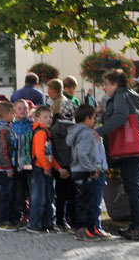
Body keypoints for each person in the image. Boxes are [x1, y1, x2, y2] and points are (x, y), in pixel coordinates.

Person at [95, 69, 139, 241]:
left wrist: (99, 130)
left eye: (107, 84)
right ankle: (138, 225)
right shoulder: (126, 95)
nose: (105, 88)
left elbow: (121, 117)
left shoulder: (121, 95)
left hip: (134, 150)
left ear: (115, 84)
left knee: (133, 187)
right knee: (131, 186)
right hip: (136, 149)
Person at [68, 104, 108, 241]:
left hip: (84, 171)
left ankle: (93, 228)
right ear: (86, 118)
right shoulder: (85, 134)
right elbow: (83, 154)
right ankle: (82, 229)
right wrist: (92, 169)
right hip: (86, 172)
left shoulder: (83, 132)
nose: (95, 120)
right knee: (85, 202)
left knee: (91, 201)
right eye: (93, 117)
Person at [28, 105, 66, 233]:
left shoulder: (47, 133)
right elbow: (39, 153)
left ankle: (47, 222)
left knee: (49, 197)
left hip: (46, 169)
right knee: (39, 198)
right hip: (40, 169)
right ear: (37, 118)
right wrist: (46, 167)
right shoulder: (40, 133)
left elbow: (50, 155)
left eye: (50, 116)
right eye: (45, 117)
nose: (49, 119)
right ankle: (34, 223)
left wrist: (58, 168)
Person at [51, 99, 78, 232]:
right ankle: (72, 220)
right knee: (72, 195)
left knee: (60, 195)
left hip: (58, 166)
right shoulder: (76, 129)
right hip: (73, 166)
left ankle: (60, 220)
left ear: (60, 113)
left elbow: (52, 149)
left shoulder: (54, 129)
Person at [0, 101, 18, 231]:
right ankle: (4, 220)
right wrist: (8, 167)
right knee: (6, 194)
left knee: (11, 194)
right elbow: (2, 150)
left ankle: (12, 219)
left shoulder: (8, 127)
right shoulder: (3, 130)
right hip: (4, 169)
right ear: (5, 114)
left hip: (8, 167)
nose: (14, 116)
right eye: (12, 114)